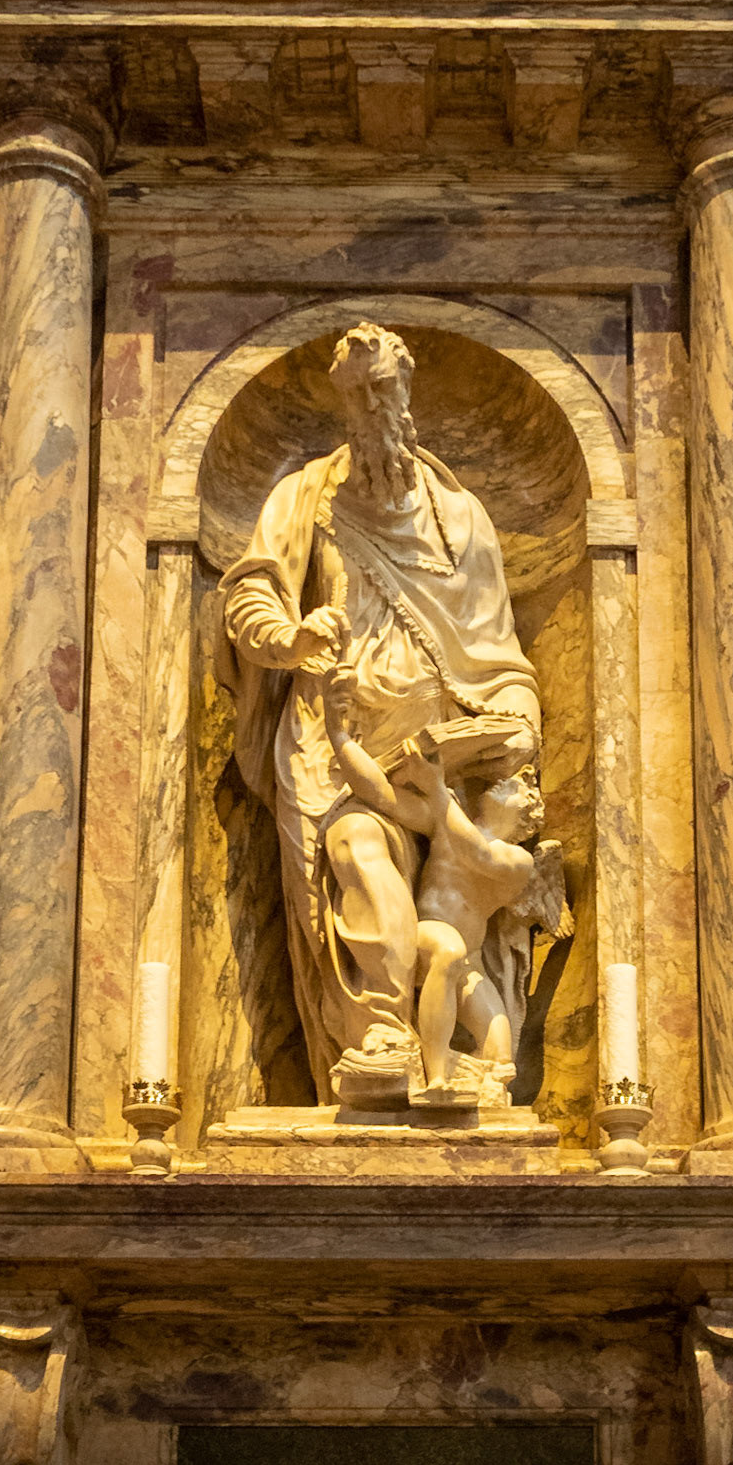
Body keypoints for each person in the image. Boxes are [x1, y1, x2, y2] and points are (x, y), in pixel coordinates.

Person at [217, 321, 540, 1101]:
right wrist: (290, 639)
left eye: (383, 389)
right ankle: (381, 1039)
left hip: (444, 755)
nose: (372, 406)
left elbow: (498, 651)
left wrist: (513, 724)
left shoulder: (461, 522)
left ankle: (449, 1056)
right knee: (359, 848)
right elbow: (249, 591)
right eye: (356, 394)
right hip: (337, 735)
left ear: (407, 392)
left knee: (447, 923)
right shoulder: (304, 500)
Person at [320, 665, 544, 1101]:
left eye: (513, 791)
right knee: (446, 947)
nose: (502, 787)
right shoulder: (442, 822)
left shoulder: (518, 860)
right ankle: (436, 1076)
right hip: (425, 936)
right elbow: (379, 794)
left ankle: (480, 1086)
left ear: (524, 819)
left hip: (472, 963)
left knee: (499, 1050)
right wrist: (339, 736)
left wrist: (438, 789)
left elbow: (478, 853)